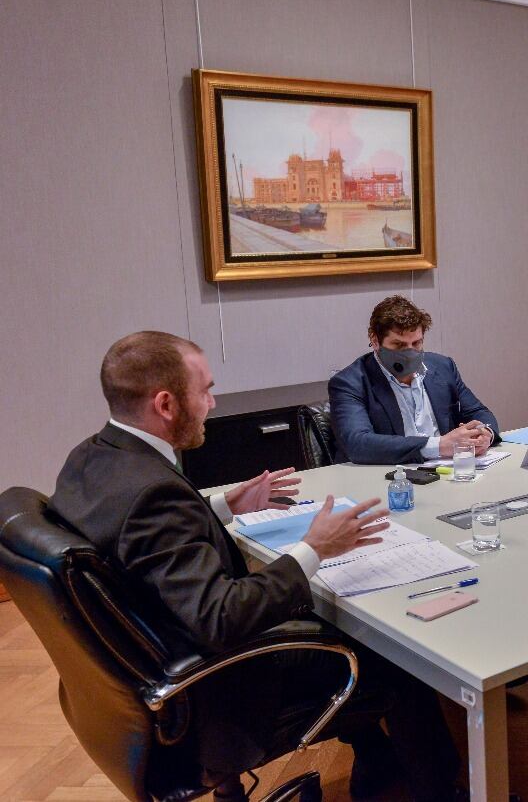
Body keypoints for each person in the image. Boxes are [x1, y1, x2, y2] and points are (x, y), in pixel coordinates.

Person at [50, 332, 460, 802]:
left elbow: (142, 542)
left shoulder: (93, 456)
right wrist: (313, 548)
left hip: (149, 666)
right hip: (220, 688)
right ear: (165, 404)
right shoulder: (153, 494)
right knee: (394, 652)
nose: (212, 401)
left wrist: (223, 506)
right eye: (204, 390)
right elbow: (221, 617)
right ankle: (439, 790)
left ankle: (379, 759)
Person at [329, 295, 498, 465]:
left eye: (416, 343)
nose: (410, 353)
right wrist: (439, 445)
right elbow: (358, 444)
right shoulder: (349, 383)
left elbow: (479, 412)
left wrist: (485, 434)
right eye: (399, 345)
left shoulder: (443, 367)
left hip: (447, 471)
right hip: (389, 477)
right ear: (375, 341)